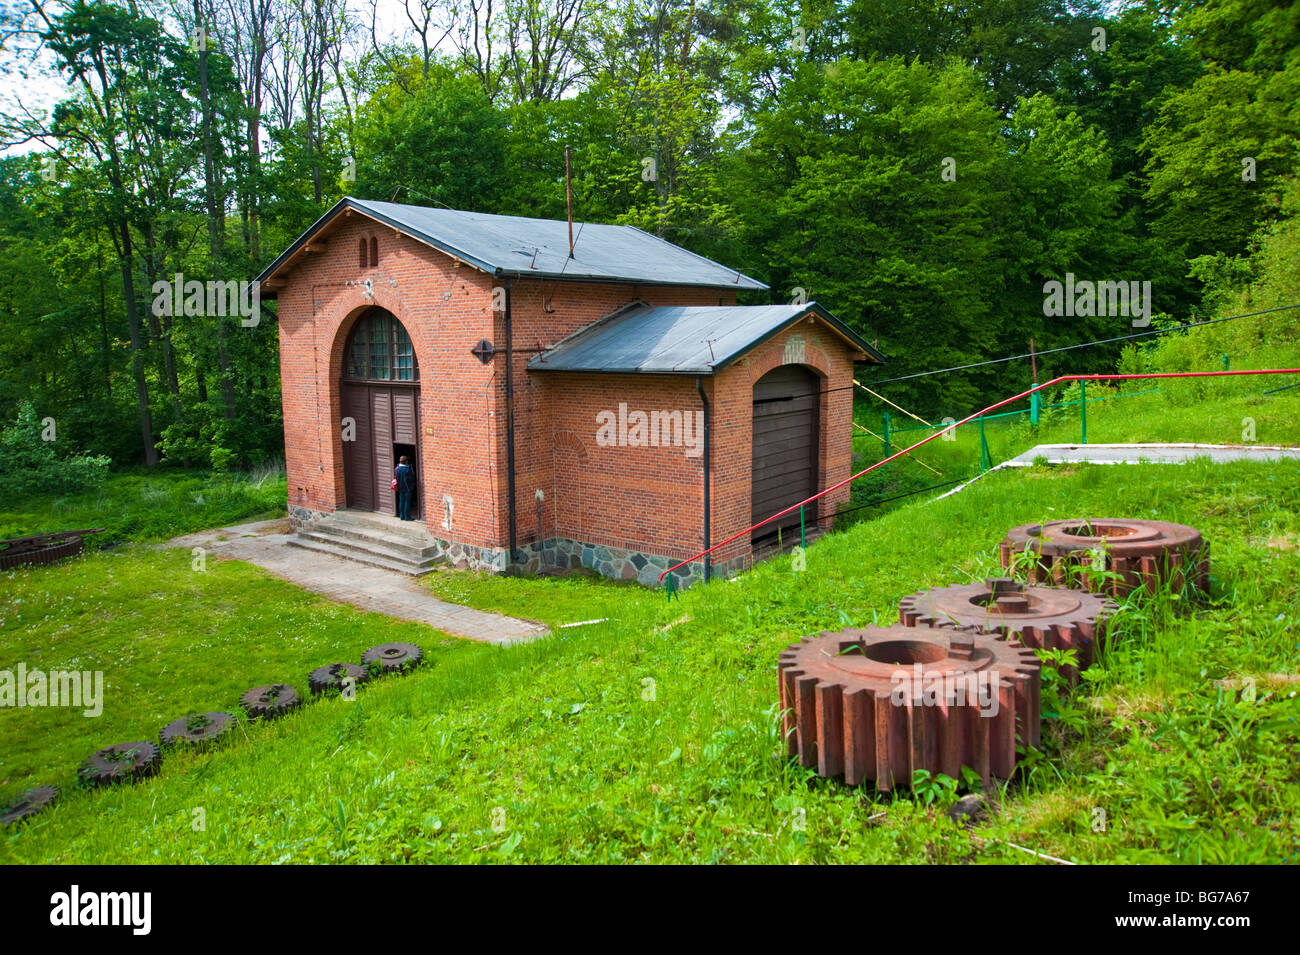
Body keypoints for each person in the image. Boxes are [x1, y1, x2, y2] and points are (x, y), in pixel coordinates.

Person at [394, 455, 415, 520]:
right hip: (407, 488)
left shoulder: (397, 469)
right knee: (407, 502)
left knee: (401, 502)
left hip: (400, 487)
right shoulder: (407, 469)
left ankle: (401, 516)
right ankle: (407, 516)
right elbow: (412, 477)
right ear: (406, 461)